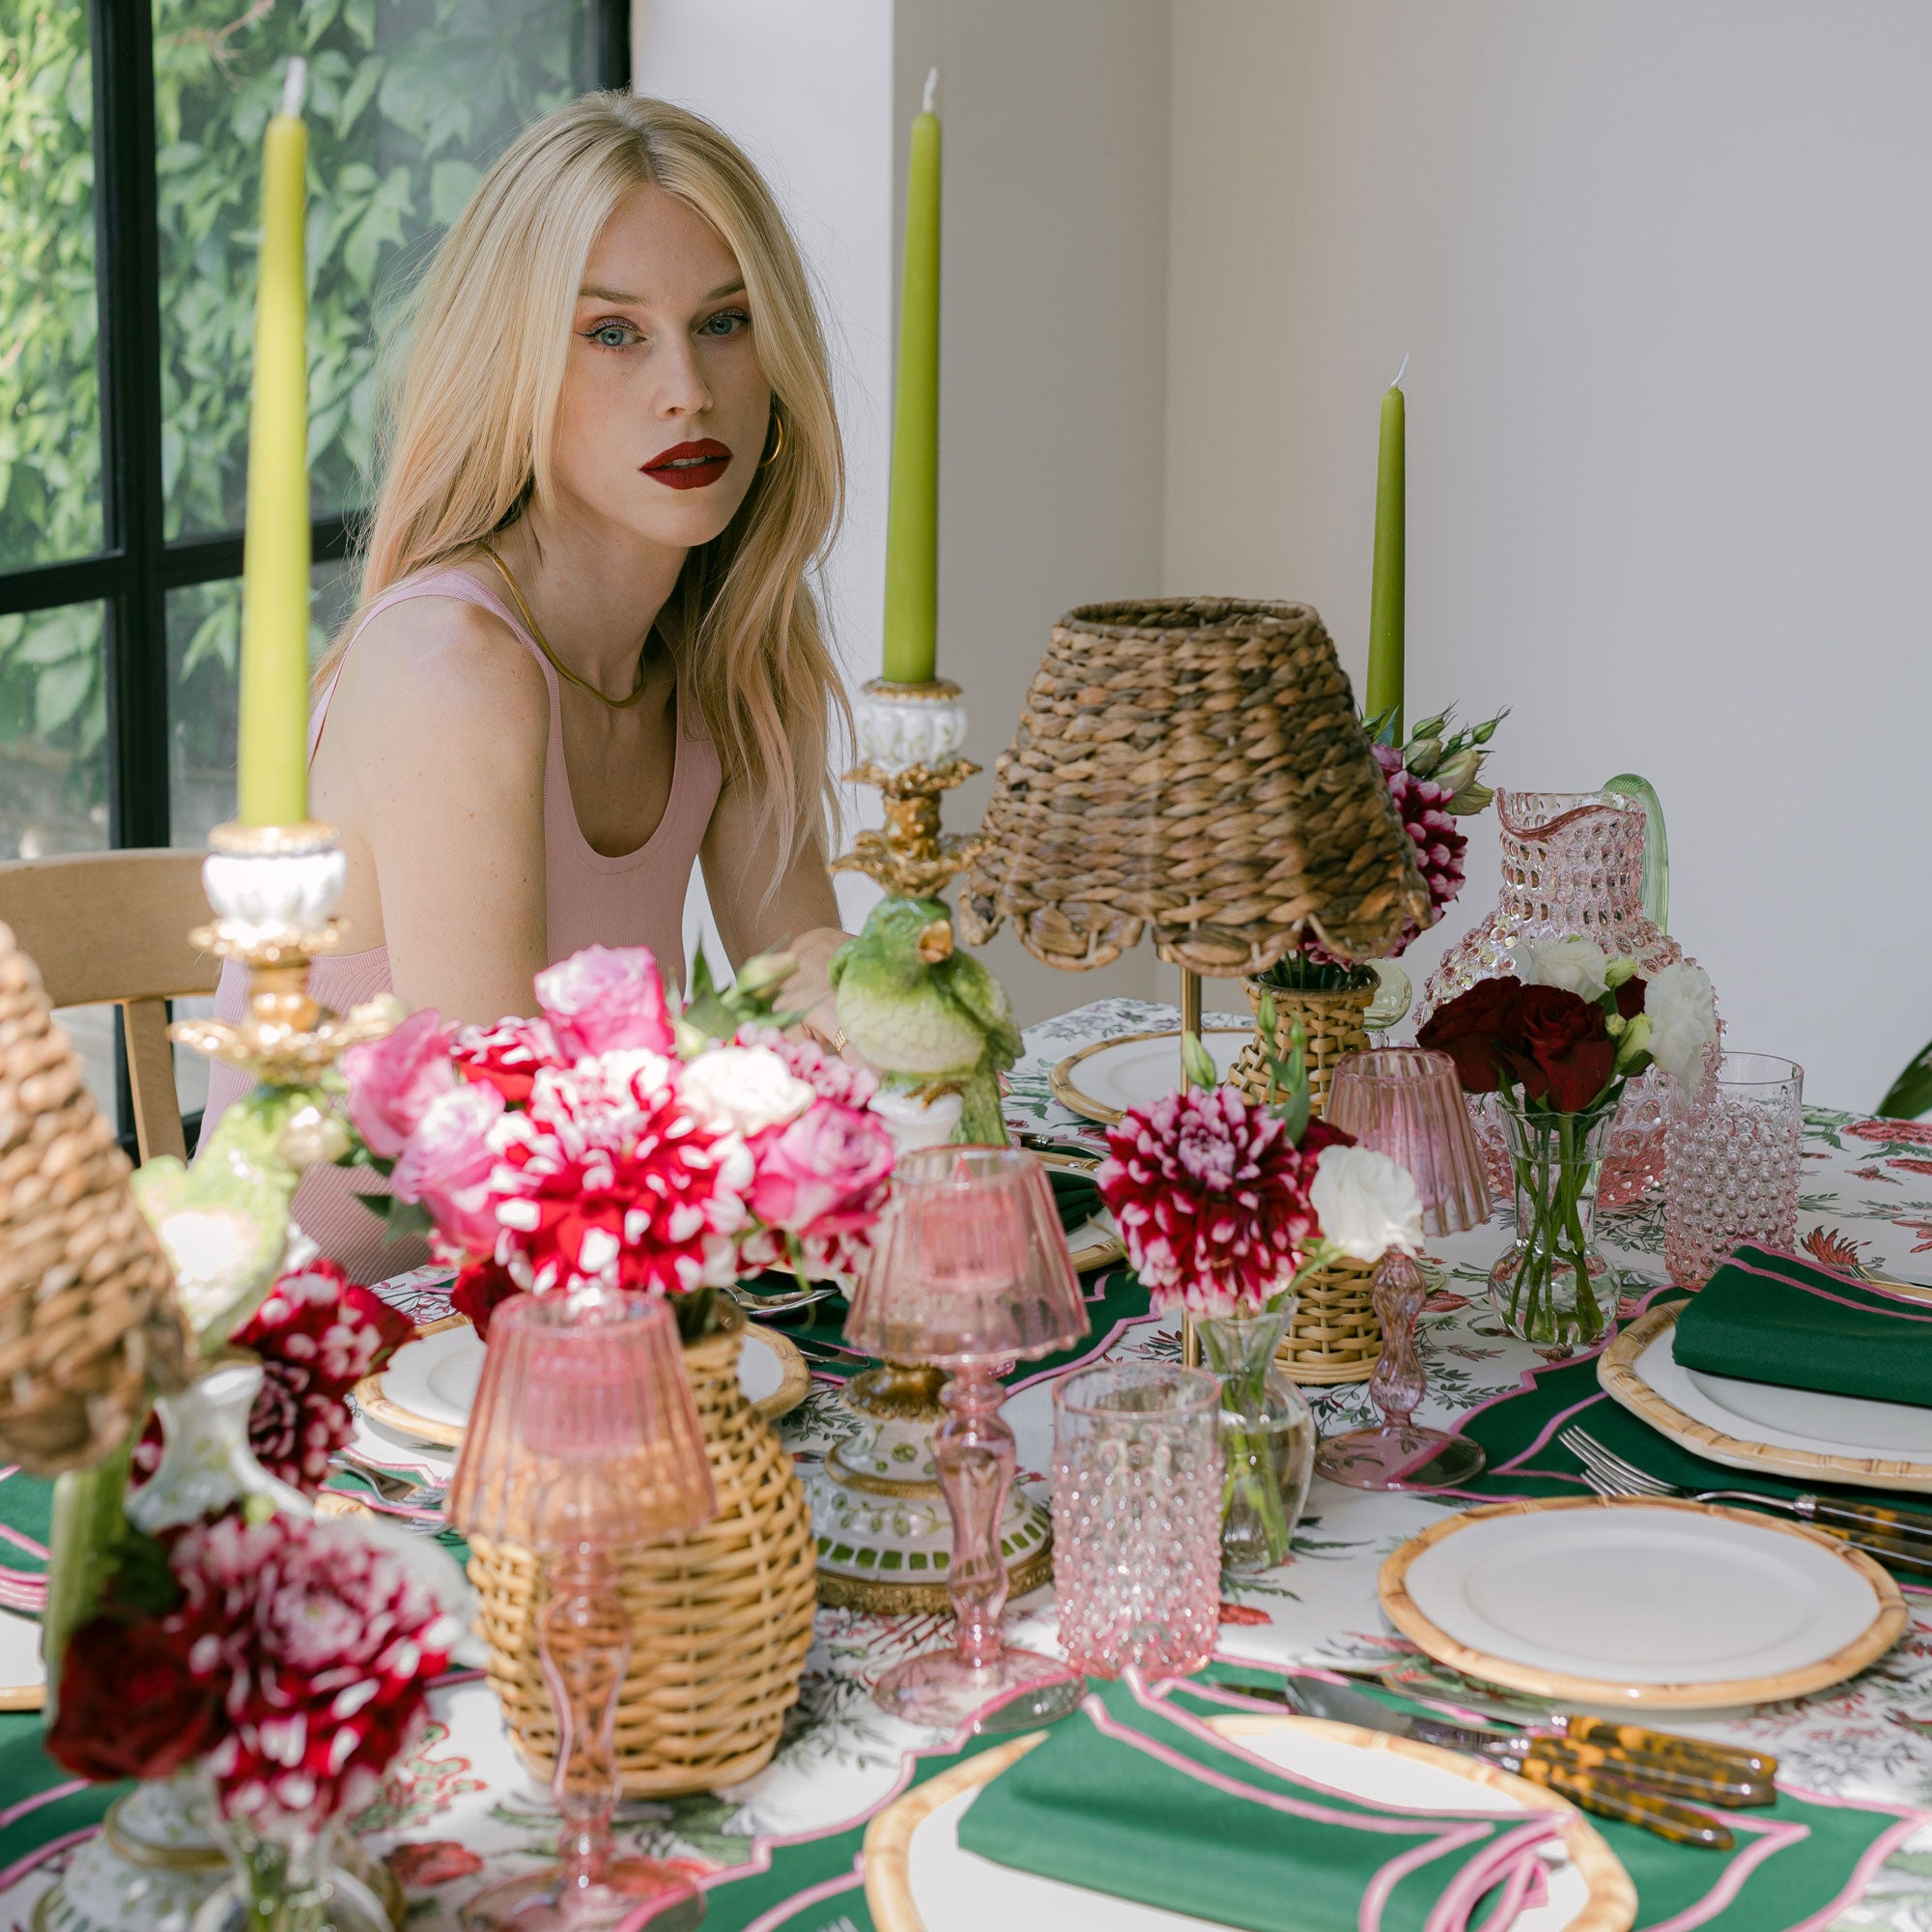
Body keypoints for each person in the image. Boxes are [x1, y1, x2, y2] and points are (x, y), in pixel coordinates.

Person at [198, 92, 852, 1282]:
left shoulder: (734, 636)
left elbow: (824, 1025)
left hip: (565, 1293)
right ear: (516, 358)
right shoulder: (456, 671)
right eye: (612, 333)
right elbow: (498, 1168)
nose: (687, 392)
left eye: (725, 322)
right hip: (329, 1365)